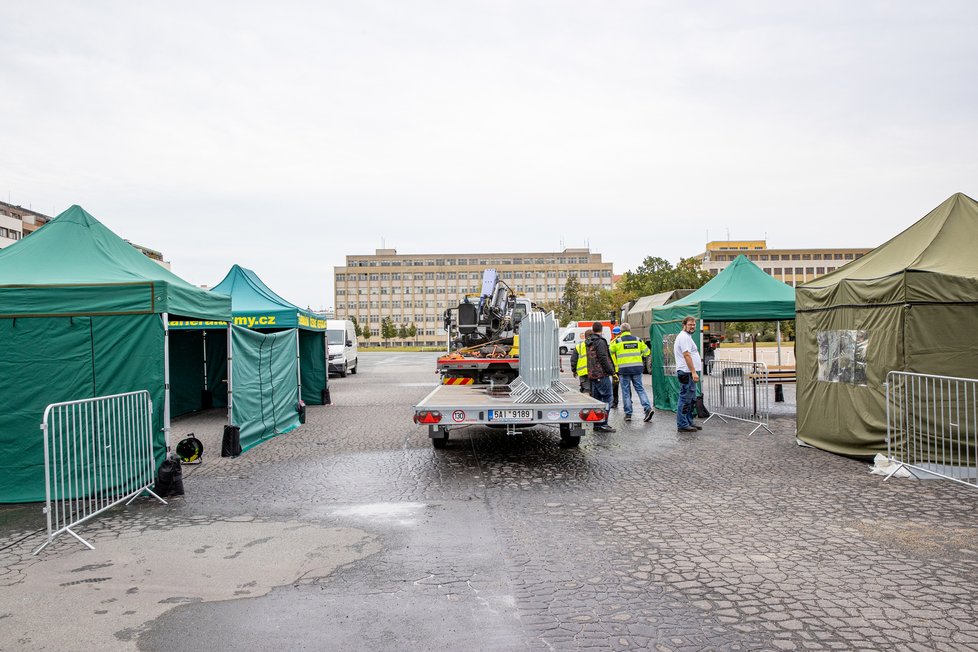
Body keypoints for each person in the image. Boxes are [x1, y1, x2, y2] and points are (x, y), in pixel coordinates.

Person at [609, 322, 654, 423]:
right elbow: (647, 352)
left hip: (624, 370)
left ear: (621, 331)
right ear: (630, 330)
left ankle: (628, 414)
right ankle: (647, 409)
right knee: (640, 389)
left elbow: (610, 351)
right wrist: (639, 353)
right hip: (637, 369)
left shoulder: (617, 341)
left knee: (625, 391)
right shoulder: (638, 340)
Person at [586, 322, 616, 433]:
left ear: (593, 329)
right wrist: (611, 371)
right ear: (601, 329)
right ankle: (603, 423)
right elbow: (603, 357)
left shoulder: (589, 341)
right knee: (608, 398)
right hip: (601, 374)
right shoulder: (600, 341)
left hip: (592, 374)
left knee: (597, 399)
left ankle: (597, 423)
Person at [674, 315, 703, 433]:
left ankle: (689, 422)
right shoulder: (684, 337)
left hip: (688, 372)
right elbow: (686, 355)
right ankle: (682, 424)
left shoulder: (687, 337)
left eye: (694, 324)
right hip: (686, 372)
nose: (692, 326)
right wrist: (693, 371)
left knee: (690, 399)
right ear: (684, 325)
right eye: (690, 324)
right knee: (685, 398)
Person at [569, 329, 592, 394]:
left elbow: (573, 360)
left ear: (585, 337)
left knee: (586, 390)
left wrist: (574, 371)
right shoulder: (596, 344)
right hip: (594, 372)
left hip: (583, 373)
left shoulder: (579, 346)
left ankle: (588, 402)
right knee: (594, 391)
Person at [609, 326, 621, 408]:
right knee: (626, 386)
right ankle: (629, 401)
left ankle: (615, 402)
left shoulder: (613, 342)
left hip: (616, 368)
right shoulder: (625, 340)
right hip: (624, 368)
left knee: (615, 386)